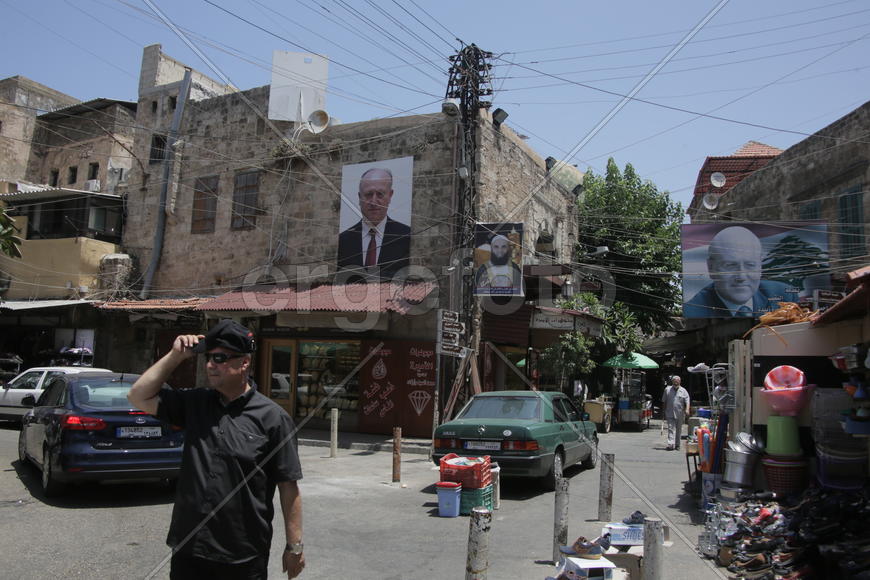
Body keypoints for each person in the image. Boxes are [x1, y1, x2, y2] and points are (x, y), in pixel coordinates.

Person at [127, 319, 304, 579]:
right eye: (208, 357)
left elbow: (288, 486)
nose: (211, 364)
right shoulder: (195, 403)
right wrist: (175, 356)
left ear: (244, 363)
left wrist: (294, 546)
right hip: (190, 549)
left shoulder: (273, 418)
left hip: (243, 555)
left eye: (220, 358)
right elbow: (138, 396)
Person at [683, 226, 796, 318]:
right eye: (730, 265)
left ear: (760, 266)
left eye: (750, 265)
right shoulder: (693, 311)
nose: (741, 276)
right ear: (711, 268)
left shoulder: (785, 296)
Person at [337, 167, 411, 277]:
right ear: (359, 197)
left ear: (390, 195)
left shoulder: (407, 237)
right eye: (368, 194)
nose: (373, 202)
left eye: (380, 194)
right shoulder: (343, 241)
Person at [661, 375, 690, 451]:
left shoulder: (683, 391)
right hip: (669, 412)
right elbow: (664, 401)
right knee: (671, 428)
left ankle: (677, 445)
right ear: (672, 382)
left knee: (678, 429)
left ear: (680, 382)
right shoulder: (667, 389)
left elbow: (687, 401)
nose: (676, 383)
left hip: (680, 413)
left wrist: (687, 409)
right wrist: (663, 411)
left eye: (677, 381)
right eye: (674, 381)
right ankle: (671, 444)